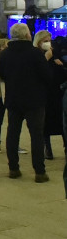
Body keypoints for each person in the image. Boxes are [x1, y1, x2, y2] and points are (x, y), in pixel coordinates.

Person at [0, 22, 50, 182]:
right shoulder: (35, 53)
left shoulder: (5, 54)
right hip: (34, 100)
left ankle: (13, 168)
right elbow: (46, 76)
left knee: (13, 133)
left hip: (13, 99)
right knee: (36, 136)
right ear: (27, 35)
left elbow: (2, 75)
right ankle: (39, 172)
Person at [34, 30, 67, 161]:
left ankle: (65, 147)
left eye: (49, 40)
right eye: (45, 41)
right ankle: (47, 148)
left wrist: (61, 65)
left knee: (61, 121)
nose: (48, 43)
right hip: (44, 94)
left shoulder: (55, 52)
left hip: (57, 92)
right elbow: (37, 73)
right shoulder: (36, 55)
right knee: (45, 122)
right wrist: (46, 58)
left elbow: (61, 71)